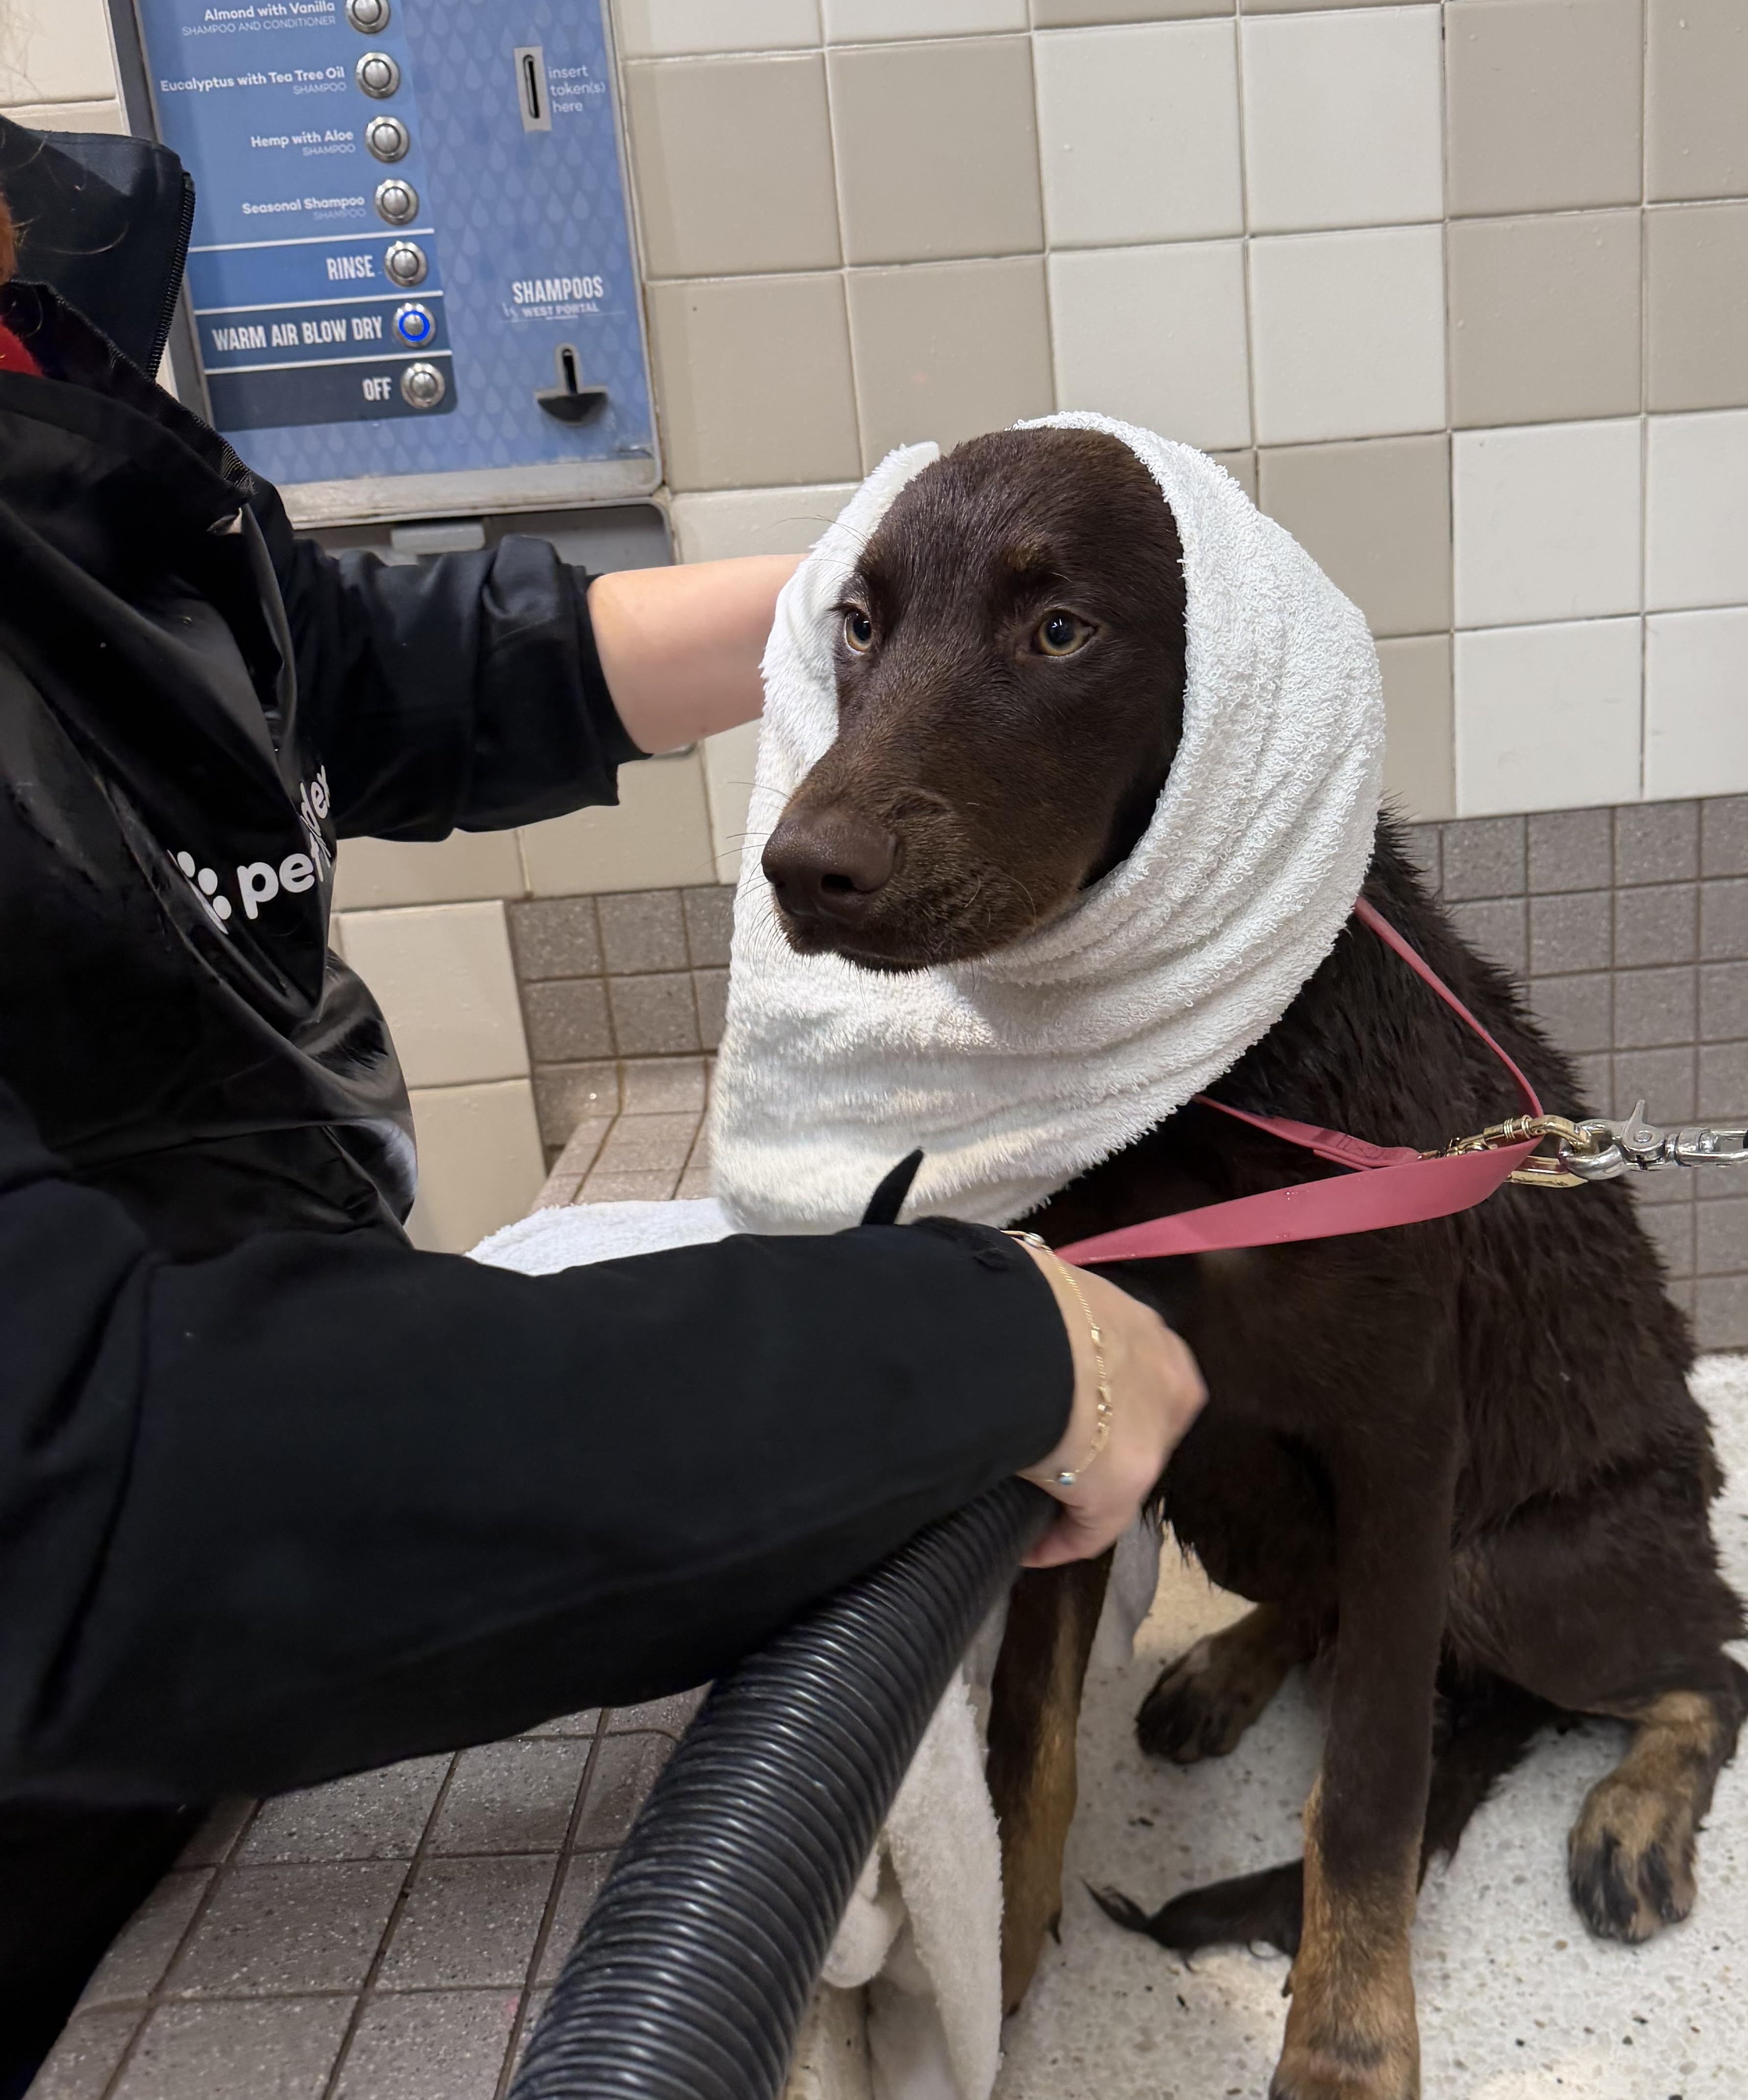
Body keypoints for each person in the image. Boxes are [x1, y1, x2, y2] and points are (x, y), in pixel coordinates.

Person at [0, 119, 1203, 2083]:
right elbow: (92, 1489)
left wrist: (874, 603)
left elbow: (346, 674)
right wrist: (992, 1339)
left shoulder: (45, 355)